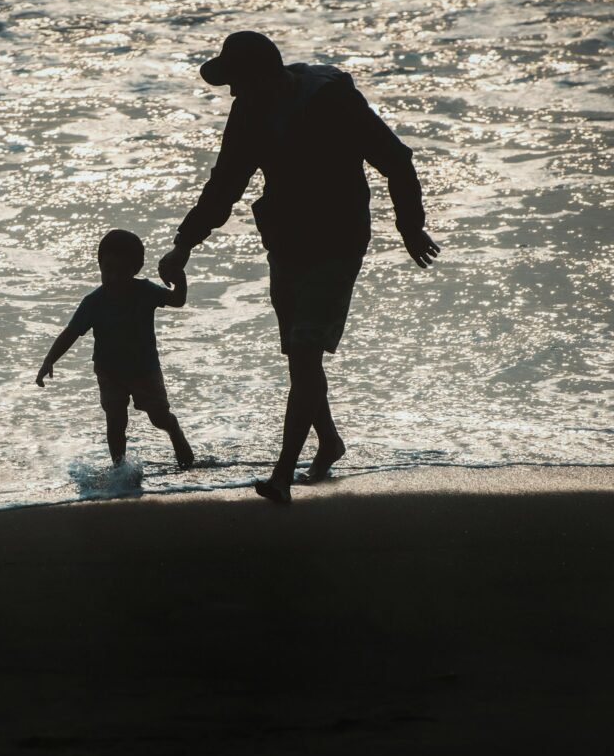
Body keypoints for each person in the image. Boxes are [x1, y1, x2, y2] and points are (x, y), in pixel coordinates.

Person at [159, 30, 439, 503]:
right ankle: (328, 442)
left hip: (338, 240)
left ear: (264, 75)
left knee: (306, 352)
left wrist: (410, 226)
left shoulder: (333, 99)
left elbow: (396, 160)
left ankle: (283, 474)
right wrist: (184, 243)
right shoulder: (248, 109)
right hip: (287, 241)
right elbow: (225, 183)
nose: (231, 92)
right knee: (299, 355)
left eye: (237, 81)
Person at [36, 228, 194, 469]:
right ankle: (119, 470)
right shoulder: (94, 302)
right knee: (115, 424)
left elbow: (177, 300)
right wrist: (49, 360)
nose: (113, 277)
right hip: (109, 373)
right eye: (107, 270)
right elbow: (71, 332)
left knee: (159, 417)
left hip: (145, 371)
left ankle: (174, 430)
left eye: (121, 271)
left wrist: (179, 279)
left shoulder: (146, 292)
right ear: (100, 266)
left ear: (135, 269)